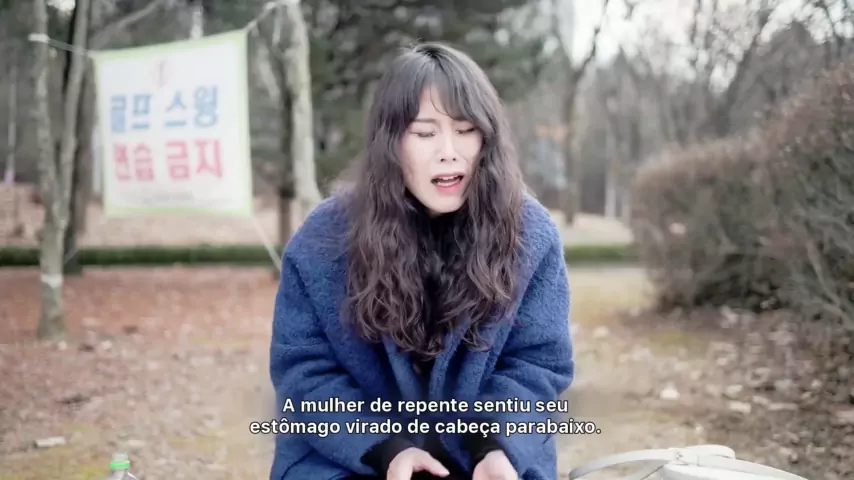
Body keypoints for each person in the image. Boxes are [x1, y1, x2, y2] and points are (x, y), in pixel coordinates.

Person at [268, 42, 574, 480]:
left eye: (465, 130)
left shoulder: (529, 233)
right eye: (425, 133)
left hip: (484, 458)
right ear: (390, 142)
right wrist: (385, 450)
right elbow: (305, 370)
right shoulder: (324, 238)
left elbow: (537, 363)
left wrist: (497, 446)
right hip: (355, 454)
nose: (449, 151)